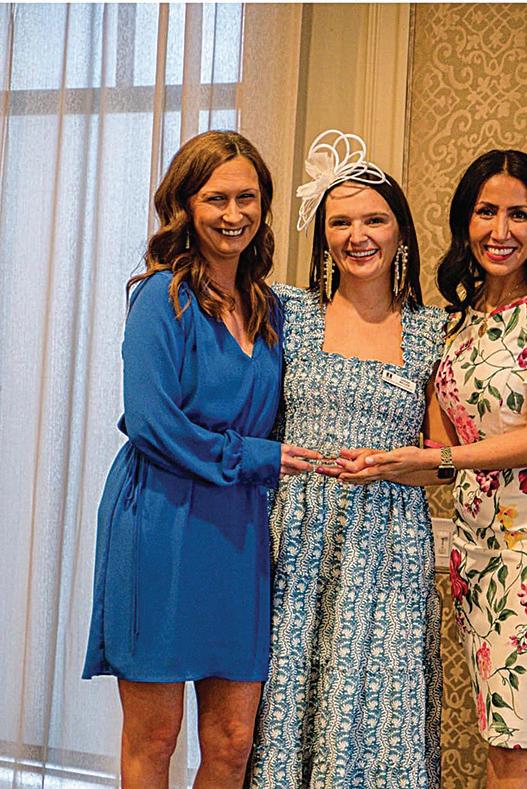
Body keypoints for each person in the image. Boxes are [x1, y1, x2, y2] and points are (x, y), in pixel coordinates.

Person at [342, 150, 527, 789]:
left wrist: (436, 458)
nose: (501, 230)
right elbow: (439, 450)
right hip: (477, 546)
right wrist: (371, 463)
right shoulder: (460, 322)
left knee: (514, 739)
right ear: (465, 221)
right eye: (486, 211)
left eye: (518, 214)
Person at [82, 130, 317, 789]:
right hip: (160, 521)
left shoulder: (269, 307)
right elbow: (151, 423)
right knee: (155, 738)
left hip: (238, 531)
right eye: (217, 198)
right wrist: (258, 456)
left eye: (247, 198)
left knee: (233, 742)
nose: (233, 213)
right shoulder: (160, 298)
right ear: (185, 205)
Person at [249, 130, 453, 788]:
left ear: (400, 232)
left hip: (388, 544)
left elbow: (442, 461)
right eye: (340, 222)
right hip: (295, 537)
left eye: (374, 220)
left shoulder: (433, 330)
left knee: (376, 713)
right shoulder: (286, 311)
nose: (357, 235)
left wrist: (395, 464)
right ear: (323, 235)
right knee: (284, 705)